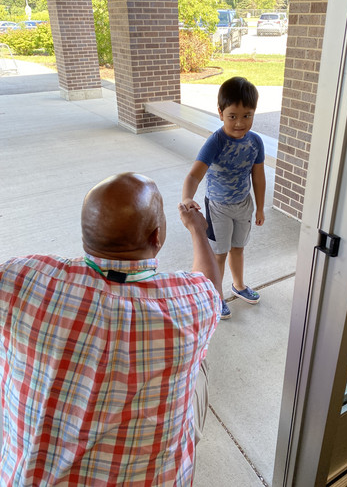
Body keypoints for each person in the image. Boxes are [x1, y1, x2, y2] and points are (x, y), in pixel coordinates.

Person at [0, 172, 222, 486]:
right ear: (156, 237)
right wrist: (197, 230)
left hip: (25, 478)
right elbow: (211, 288)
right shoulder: (190, 303)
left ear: (86, 235)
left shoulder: (22, 279)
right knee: (199, 367)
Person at [182, 76, 266, 319]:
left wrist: (260, 208)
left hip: (244, 205)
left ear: (254, 113)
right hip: (218, 207)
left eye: (247, 115)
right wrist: (188, 197)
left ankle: (238, 286)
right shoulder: (216, 142)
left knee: (238, 248)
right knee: (219, 254)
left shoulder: (256, 142)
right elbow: (194, 175)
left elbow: (258, 177)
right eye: (232, 116)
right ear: (220, 113)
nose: (240, 123)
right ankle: (215, 295)